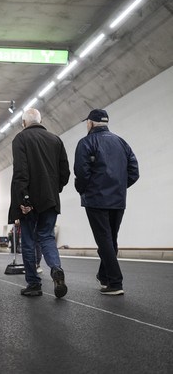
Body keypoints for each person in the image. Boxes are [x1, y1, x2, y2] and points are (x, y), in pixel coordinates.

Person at [74, 109, 139, 296]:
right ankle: (104, 277)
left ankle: (116, 282)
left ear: (91, 123)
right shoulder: (121, 142)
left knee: (104, 240)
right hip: (117, 200)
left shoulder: (86, 142)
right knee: (111, 240)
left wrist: (83, 189)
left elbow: (81, 171)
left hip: (96, 199)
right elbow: (134, 171)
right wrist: (118, 187)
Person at [8, 108, 70, 298]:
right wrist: (54, 189)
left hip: (30, 200)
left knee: (28, 241)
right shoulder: (55, 139)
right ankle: (56, 268)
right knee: (47, 236)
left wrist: (24, 198)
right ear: (40, 120)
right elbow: (65, 173)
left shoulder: (20, 139)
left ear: (24, 123)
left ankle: (34, 284)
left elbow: (21, 171)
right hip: (50, 199)